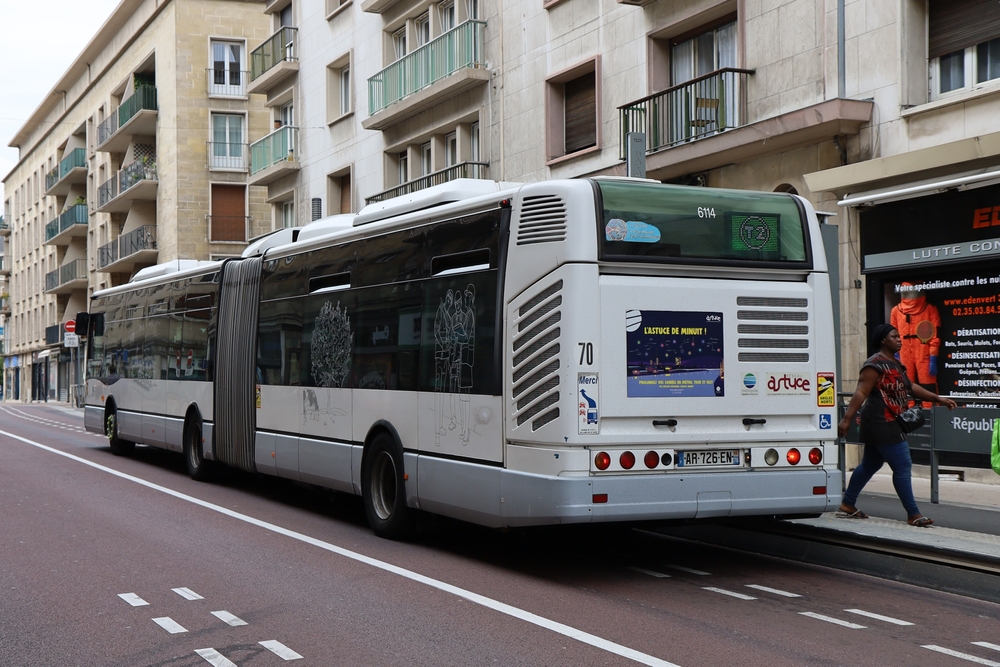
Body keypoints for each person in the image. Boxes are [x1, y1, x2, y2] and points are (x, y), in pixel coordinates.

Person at [837, 323, 957, 527]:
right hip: (882, 422)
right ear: (884, 340)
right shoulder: (874, 364)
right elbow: (861, 392)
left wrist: (938, 399)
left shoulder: (895, 364)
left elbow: (912, 387)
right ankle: (913, 514)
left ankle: (848, 504)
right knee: (902, 465)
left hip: (888, 421)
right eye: (895, 336)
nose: (900, 339)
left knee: (870, 464)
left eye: (900, 336)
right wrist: (847, 418)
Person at [890, 282, 941, 406]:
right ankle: (926, 415)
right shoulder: (929, 309)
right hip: (918, 352)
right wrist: (895, 354)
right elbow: (936, 335)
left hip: (914, 352)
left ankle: (913, 415)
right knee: (909, 386)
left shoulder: (897, 311)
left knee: (915, 386)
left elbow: (891, 335)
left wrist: (895, 353)